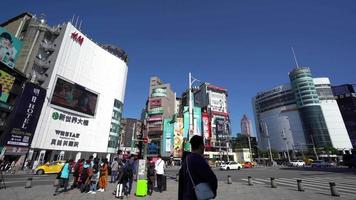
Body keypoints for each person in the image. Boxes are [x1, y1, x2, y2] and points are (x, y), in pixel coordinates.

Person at [178, 135, 218, 200]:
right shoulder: (198, 159)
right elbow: (212, 179)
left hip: (186, 196)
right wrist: (213, 192)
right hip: (197, 196)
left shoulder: (186, 160)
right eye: (203, 145)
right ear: (201, 146)